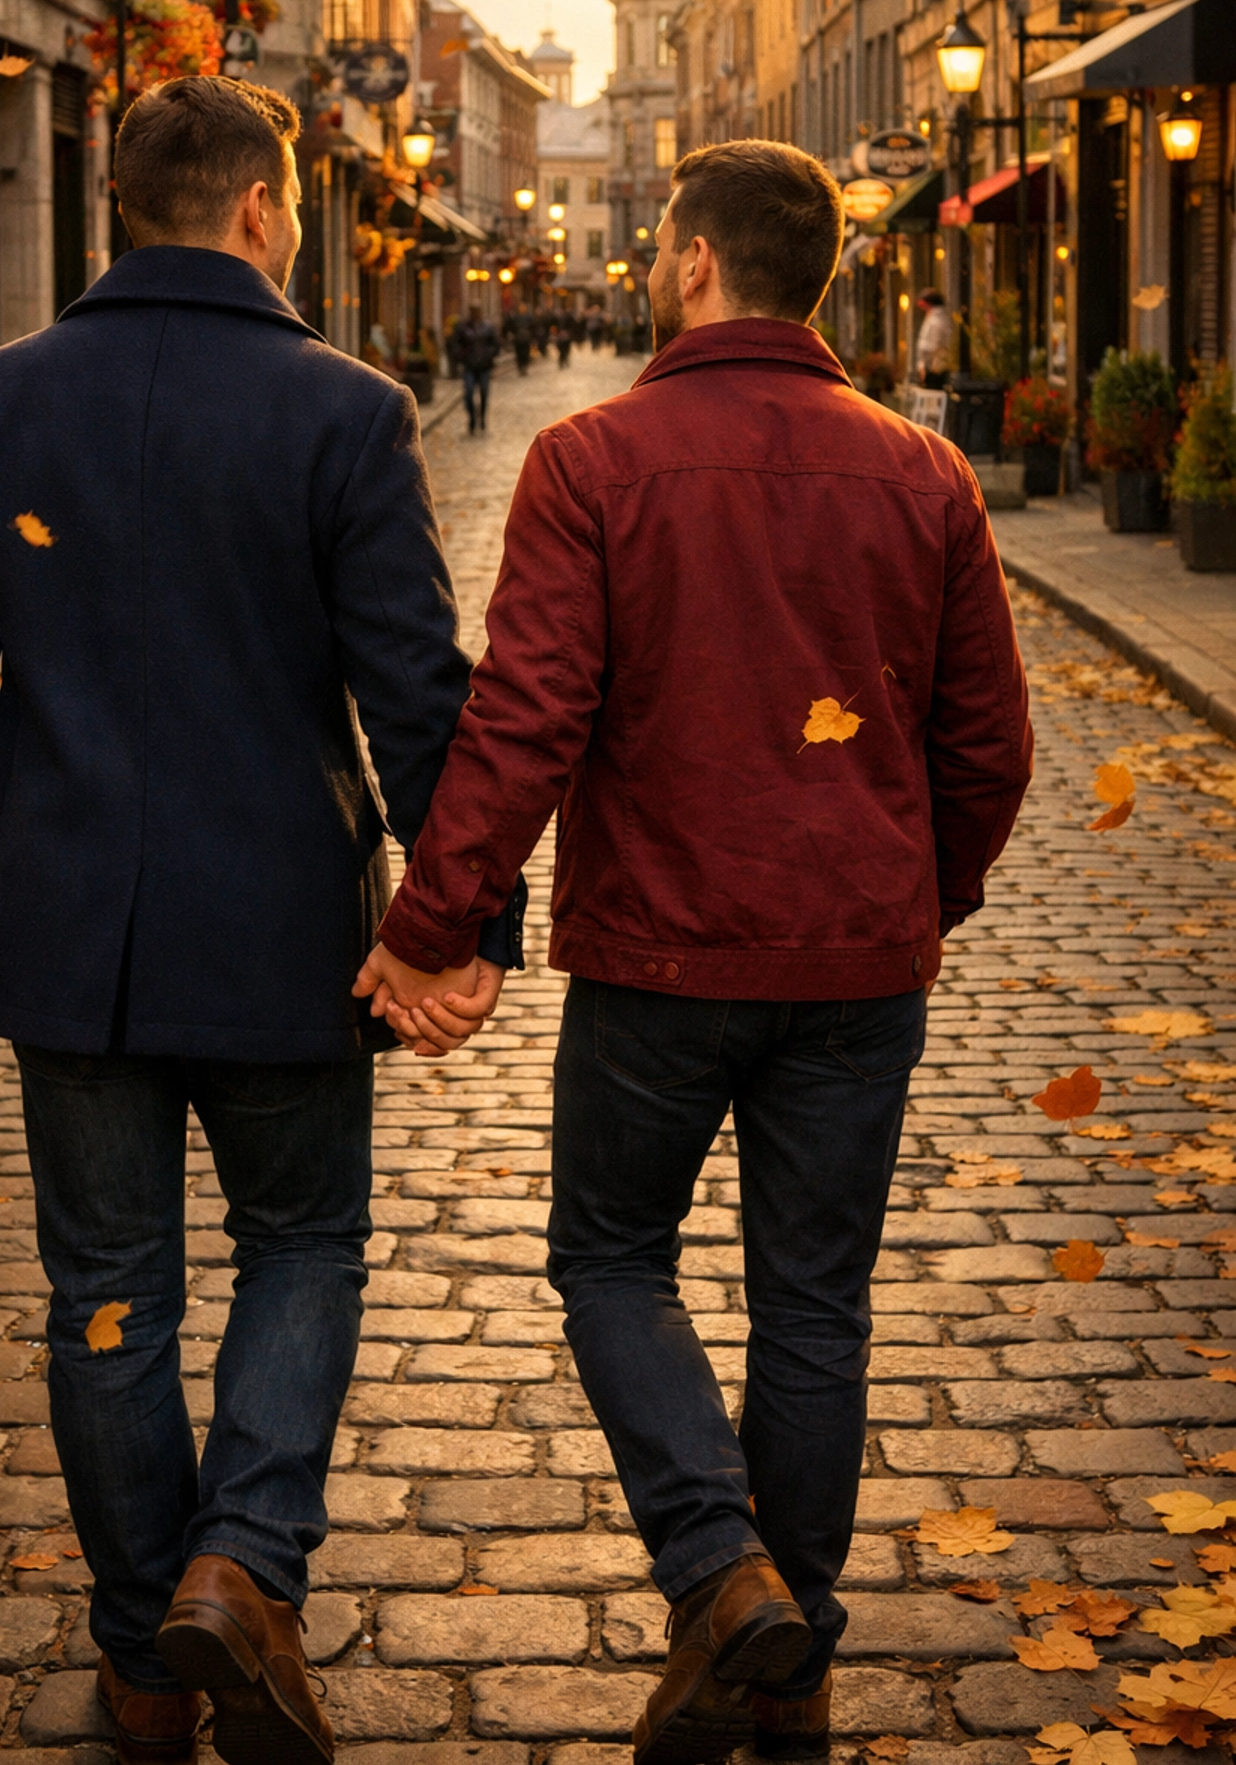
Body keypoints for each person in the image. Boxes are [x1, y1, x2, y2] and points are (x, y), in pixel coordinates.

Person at [0, 75, 520, 1765]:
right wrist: (454, 917)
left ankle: (147, 1644)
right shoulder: (345, 409)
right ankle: (241, 1564)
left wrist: (9, 837)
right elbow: (418, 698)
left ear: (120, 210)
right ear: (257, 209)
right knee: (299, 1242)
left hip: (65, 928)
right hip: (284, 928)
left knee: (107, 1282)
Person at [356, 139, 1032, 1765]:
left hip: (658, 963)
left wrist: (433, 921)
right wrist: (905, 896)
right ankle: (786, 1665)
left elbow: (524, 722)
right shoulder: (926, 475)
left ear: (691, 262)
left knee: (608, 1256)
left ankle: (723, 1575)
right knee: (815, 1302)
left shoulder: (595, 460)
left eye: (664, 244)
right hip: (858, 967)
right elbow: (988, 746)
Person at [449, 305, 501, 432]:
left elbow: (496, 344)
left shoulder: (488, 327)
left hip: (484, 366)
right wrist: (461, 356)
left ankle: (482, 417)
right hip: (469, 366)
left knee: (484, 392)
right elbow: (455, 344)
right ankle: (472, 417)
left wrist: (489, 354)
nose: (476, 314)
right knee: (469, 393)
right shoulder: (463, 328)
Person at [915, 288, 954, 385]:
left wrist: (923, 365)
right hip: (934, 365)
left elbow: (930, 346)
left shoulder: (935, 321)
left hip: (934, 367)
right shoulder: (937, 318)